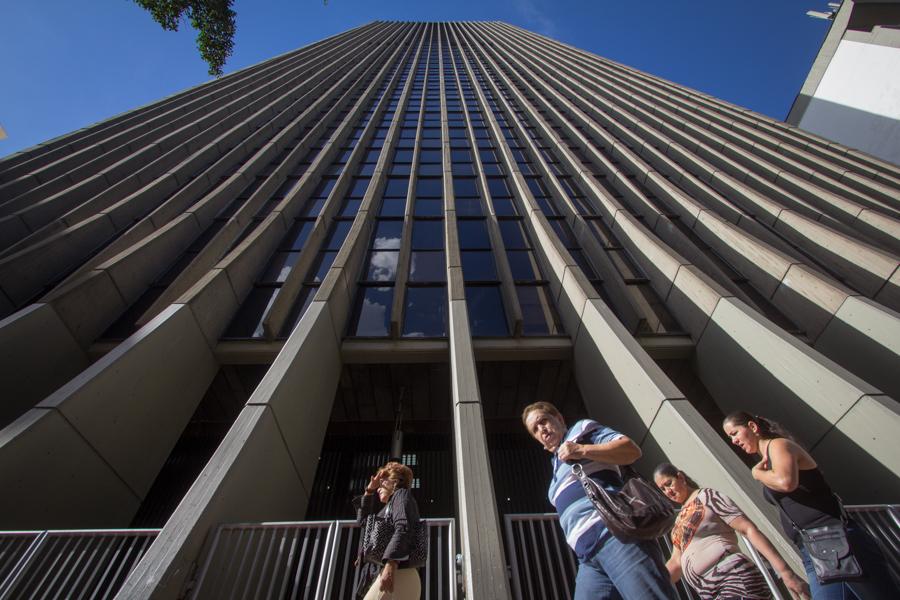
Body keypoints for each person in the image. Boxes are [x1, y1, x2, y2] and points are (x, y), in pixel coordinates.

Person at [722, 411, 895, 600]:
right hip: (812, 548)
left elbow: (786, 482)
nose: (734, 441)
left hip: (837, 541)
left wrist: (756, 474)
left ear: (752, 427)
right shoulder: (768, 460)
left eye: (734, 433)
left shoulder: (779, 445)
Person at [522, 401, 677, 600]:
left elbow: (631, 450)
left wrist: (580, 450)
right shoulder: (554, 468)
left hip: (616, 537)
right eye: (535, 429)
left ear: (559, 419)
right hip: (587, 558)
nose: (541, 429)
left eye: (543, 421)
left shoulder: (581, 431)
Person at [653, 462, 809, 599]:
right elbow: (676, 562)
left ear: (680, 477)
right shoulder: (679, 520)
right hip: (708, 592)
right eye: (662, 489)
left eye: (669, 483)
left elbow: (748, 529)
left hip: (734, 578)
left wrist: (784, 571)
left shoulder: (707, 496)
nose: (668, 491)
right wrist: (650, 585)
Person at [353, 461, 422, 600]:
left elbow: (403, 528)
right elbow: (364, 523)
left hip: (398, 573)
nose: (378, 487)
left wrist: (391, 565)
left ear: (394, 481)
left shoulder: (401, 495)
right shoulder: (388, 509)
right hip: (397, 573)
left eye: (382, 482)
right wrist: (369, 491)